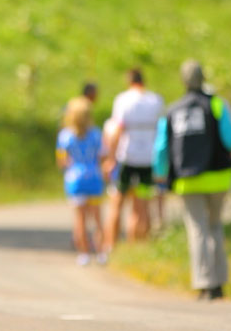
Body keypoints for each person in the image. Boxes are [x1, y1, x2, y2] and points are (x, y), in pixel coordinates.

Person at [152, 60, 231, 300]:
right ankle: (218, 284)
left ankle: (204, 283)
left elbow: (162, 148)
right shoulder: (217, 104)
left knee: (197, 230)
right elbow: (230, 138)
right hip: (218, 178)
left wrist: (160, 173)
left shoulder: (172, 110)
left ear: (183, 80)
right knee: (215, 227)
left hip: (188, 180)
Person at [104, 68, 164, 251]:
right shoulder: (156, 100)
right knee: (142, 205)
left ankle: (110, 245)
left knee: (117, 202)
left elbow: (116, 130)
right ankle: (137, 247)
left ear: (129, 81)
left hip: (127, 156)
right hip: (148, 158)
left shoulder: (123, 100)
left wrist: (110, 158)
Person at [56, 97, 106, 266]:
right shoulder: (96, 134)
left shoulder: (65, 136)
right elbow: (102, 156)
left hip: (74, 179)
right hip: (93, 177)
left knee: (80, 220)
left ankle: (83, 254)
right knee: (97, 219)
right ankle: (100, 253)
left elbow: (62, 160)